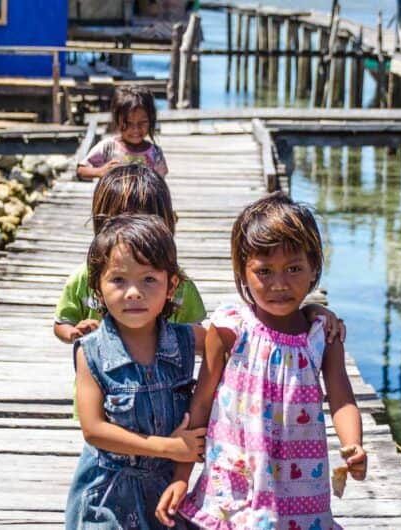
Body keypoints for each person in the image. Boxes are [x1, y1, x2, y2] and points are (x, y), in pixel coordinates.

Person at [156, 192, 367, 530]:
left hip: (299, 484)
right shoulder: (230, 328)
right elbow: (202, 404)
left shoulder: (321, 336)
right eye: (264, 271)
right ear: (243, 271)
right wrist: (182, 476)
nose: (280, 284)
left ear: (315, 268)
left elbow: (342, 399)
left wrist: (352, 443)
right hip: (234, 475)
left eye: (294, 268)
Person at [65, 214, 205, 529]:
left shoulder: (186, 340)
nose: (133, 292)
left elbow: (238, 337)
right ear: (97, 288)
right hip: (108, 497)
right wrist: (168, 447)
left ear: (171, 286)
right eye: (118, 280)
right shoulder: (91, 352)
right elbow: (94, 430)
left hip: (169, 491)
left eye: (148, 280)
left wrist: (310, 314)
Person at [54, 164, 205, 345]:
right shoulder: (84, 277)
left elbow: (200, 336)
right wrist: (74, 333)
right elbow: (62, 322)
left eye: (149, 279)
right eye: (118, 280)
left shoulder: (175, 281)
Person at [77, 86, 168, 180]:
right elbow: (81, 170)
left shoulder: (155, 153)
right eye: (128, 123)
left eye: (142, 123)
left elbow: (160, 184)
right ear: (117, 120)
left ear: (151, 120)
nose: (135, 129)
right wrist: (100, 171)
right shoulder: (108, 147)